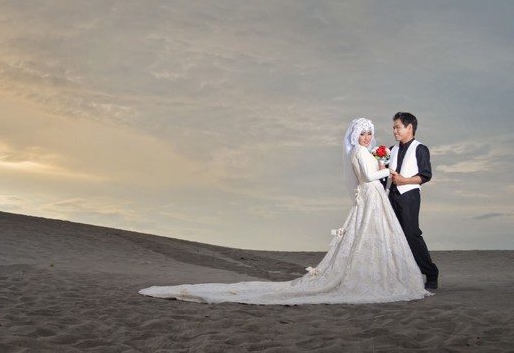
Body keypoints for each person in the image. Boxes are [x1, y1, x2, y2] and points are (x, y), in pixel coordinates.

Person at [139, 118, 431, 305]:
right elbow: (368, 177)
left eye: (370, 133)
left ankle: (393, 272)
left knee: (382, 236)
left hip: (378, 199)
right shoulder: (359, 152)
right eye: (363, 133)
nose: (368, 137)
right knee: (370, 236)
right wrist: (385, 171)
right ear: (356, 136)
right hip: (372, 195)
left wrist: (382, 167)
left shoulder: (375, 151)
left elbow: (392, 173)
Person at [386, 112, 439, 290]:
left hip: (409, 196)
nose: (394, 131)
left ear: (410, 127)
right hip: (390, 196)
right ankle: (402, 275)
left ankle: (431, 273)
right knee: (393, 236)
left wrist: (404, 181)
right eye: (394, 127)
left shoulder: (420, 149)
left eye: (397, 127)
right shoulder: (391, 150)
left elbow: (425, 175)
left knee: (412, 234)